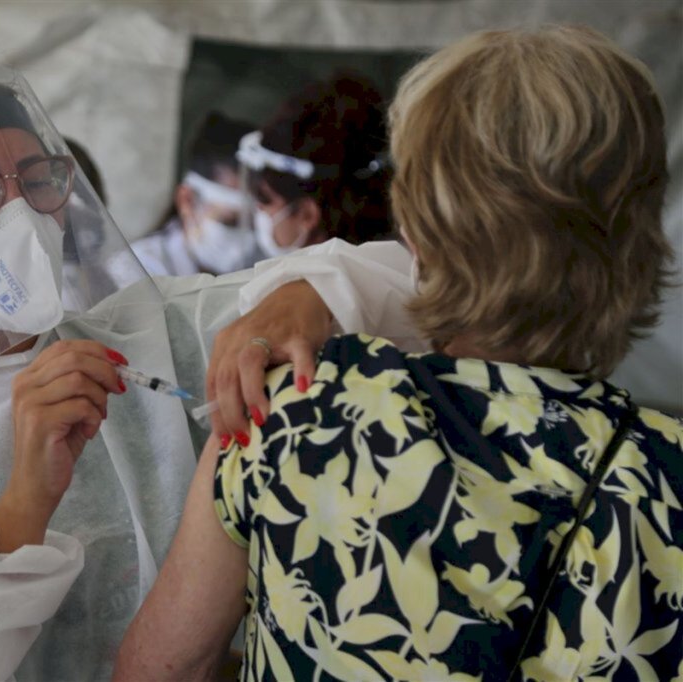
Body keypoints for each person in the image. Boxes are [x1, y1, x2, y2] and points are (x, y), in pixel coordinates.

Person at [0, 67, 425, 681]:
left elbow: (430, 281)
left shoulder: (155, 340)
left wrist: (306, 290)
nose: (18, 216)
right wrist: (23, 504)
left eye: (38, 182)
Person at [116, 25, 682, 681]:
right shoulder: (663, 481)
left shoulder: (294, 411)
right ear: (641, 228)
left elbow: (159, 670)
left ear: (414, 221)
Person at [238, 73, 392, 259]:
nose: (259, 213)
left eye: (264, 202)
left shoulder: (305, 287)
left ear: (307, 214)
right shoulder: (395, 264)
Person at [132, 111, 258, 277]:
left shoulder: (265, 269)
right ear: (187, 200)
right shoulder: (138, 271)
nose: (246, 242)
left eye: (255, 225)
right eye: (230, 222)